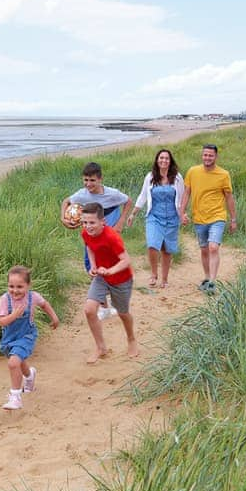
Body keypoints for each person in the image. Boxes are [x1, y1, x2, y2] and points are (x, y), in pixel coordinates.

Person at [61, 161, 132, 318]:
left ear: (100, 179)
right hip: (91, 235)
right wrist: (63, 219)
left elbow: (128, 201)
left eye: (92, 180)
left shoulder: (112, 194)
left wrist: (120, 222)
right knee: (91, 266)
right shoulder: (82, 194)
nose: (88, 184)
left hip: (108, 234)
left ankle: (112, 300)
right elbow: (66, 201)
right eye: (85, 180)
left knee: (110, 264)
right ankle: (104, 306)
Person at [79, 203, 138, 363]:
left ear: (103, 221)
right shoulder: (85, 233)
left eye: (92, 222)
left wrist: (110, 270)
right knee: (90, 310)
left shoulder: (112, 237)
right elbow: (89, 247)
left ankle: (131, 339)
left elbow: (126, 260)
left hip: (121, 279)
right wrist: (93, 266)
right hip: (102, 277)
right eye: (84, 222)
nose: (87, 226)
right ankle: (101, 347)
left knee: (123, 313)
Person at [0, 265, 59, 410]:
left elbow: (45, 305)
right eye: (11, 286)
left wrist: (54, 318)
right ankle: (29, 375)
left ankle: (15, 397)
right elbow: (1, 321)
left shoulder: (33, 297)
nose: (15, 290)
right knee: (19, 361)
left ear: (28, 286)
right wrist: (14, 315)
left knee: (13, 363)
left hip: (27, 335)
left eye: (20, 286)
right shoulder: (5, 299)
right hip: (9, 338)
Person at [179, 144, 237, 295]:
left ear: (216, 157)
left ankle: (212, 281)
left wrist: (233, 219)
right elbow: (186, 193)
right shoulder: (193, 171)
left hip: (217, 216)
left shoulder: (223, 174)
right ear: (202, 155)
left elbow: (229, 197)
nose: (207, 158)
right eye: (205, 155)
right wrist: (182, 212)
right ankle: (206, 277)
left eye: (210, 155)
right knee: (204, 249)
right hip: (199, 217)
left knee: (213, 247)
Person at [126, 149, 184, 288]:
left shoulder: (177, 178)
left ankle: (164, 279)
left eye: (166, 158)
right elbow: (143, 196)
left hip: (171, 217)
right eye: (161, 158)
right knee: (152, 245)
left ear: (170, 161)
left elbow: (182, 199)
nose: (163, 160)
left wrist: (182, 214)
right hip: (154, 216)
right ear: (157, 160)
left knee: (166, 249)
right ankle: (153, 274)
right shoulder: (150, 177)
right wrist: (133, 213)